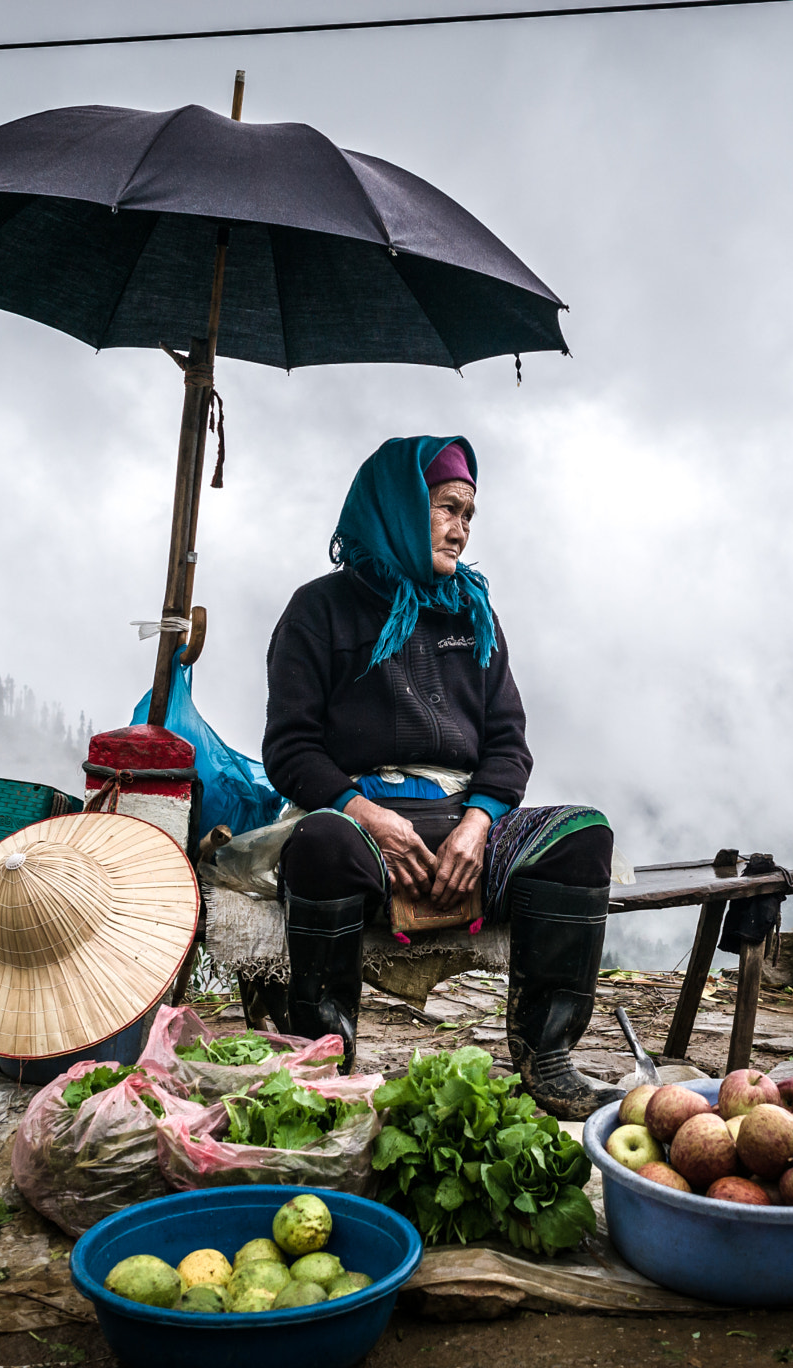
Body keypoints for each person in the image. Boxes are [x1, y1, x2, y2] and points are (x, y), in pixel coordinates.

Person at [262, 435, 621, 1120]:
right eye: (445, 508)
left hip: (462, 826)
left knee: (582, 834)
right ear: (396, 506)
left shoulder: (472, 614)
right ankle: (323, 1061)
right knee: (319, 845)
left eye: (468, 515)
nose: (459, 529)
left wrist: (479, 824)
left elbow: (508, 744)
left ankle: (548, 1059)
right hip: (361, 827)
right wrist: (365, 812)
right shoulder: (319, 611)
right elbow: (291, 748)